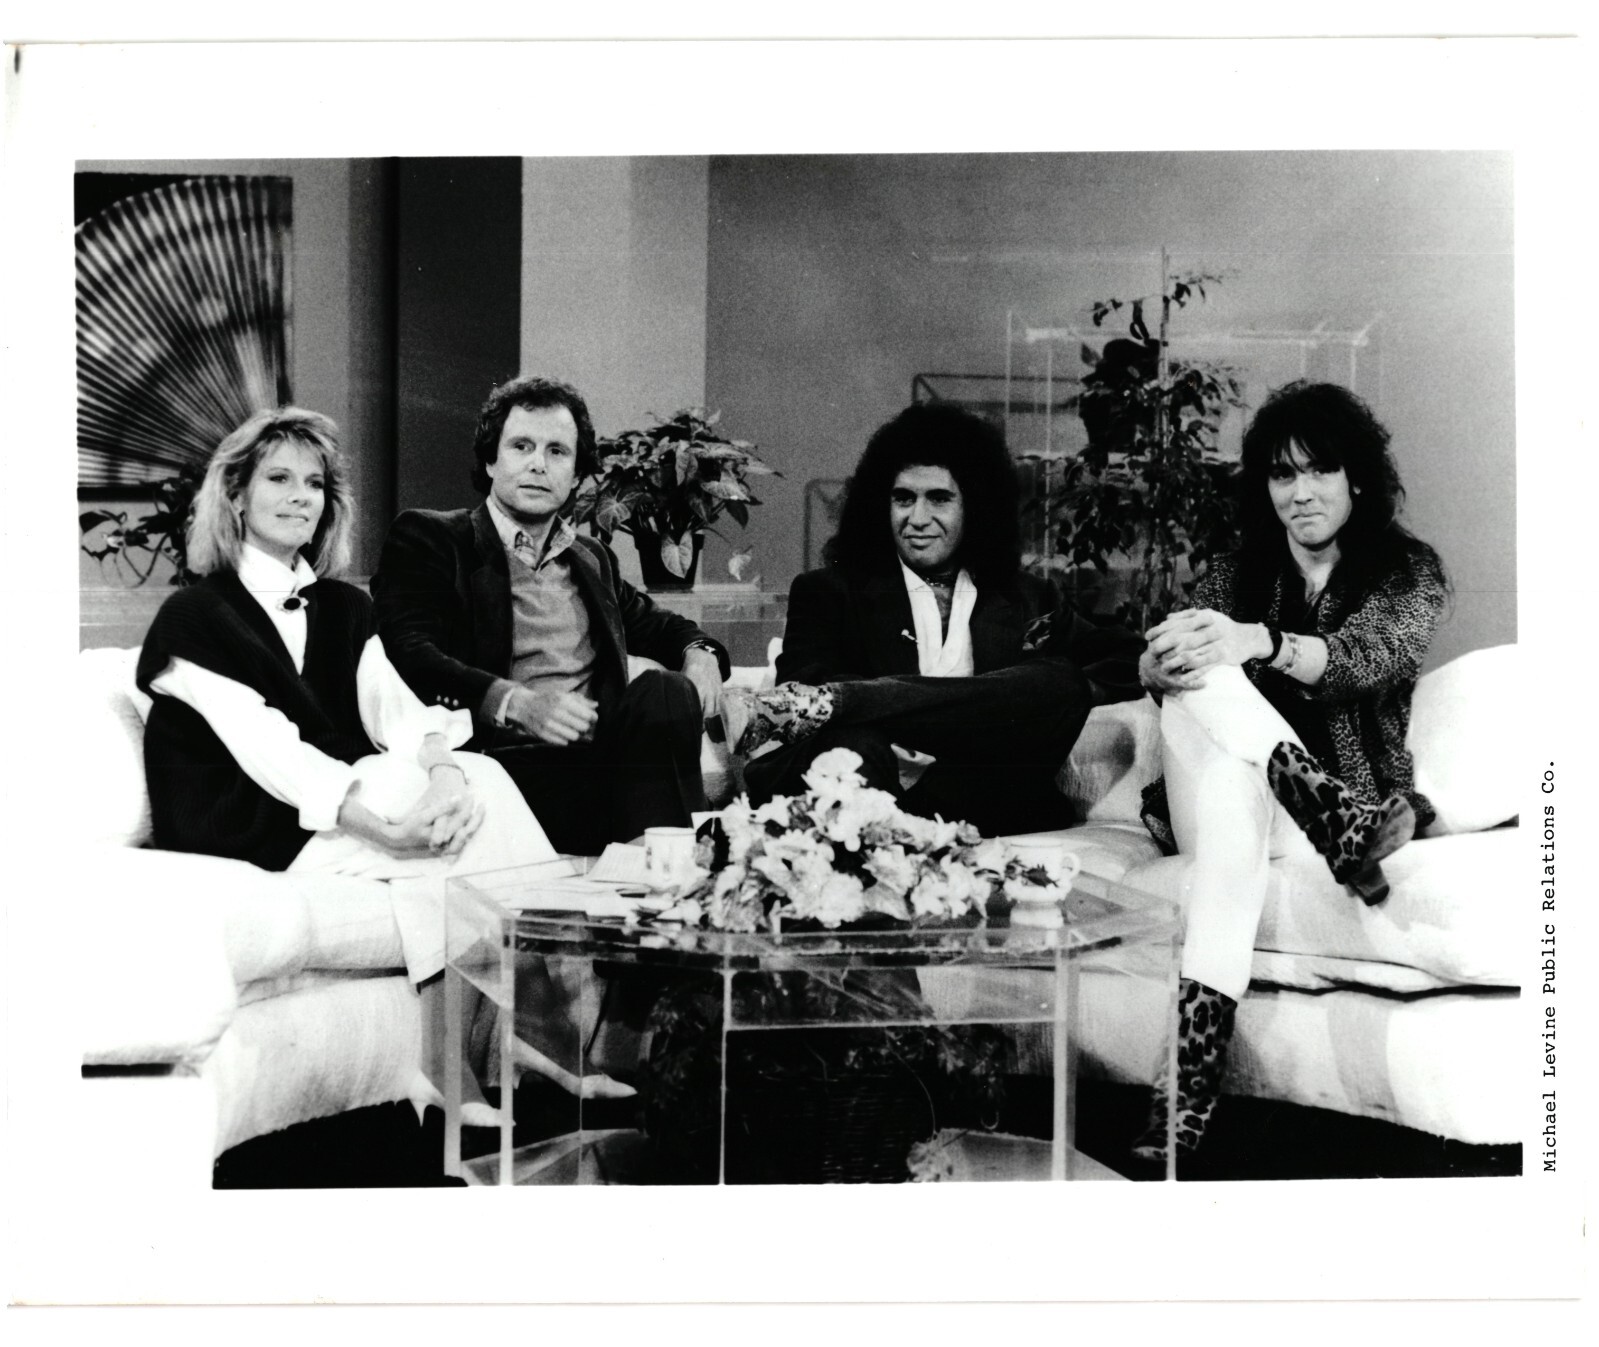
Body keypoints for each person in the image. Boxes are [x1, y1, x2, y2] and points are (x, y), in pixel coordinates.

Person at [136, 407, 631, 1122]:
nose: (299, 497)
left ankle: (475, 1057)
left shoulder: (342, 605)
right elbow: (274, 755)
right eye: (278, 479)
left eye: (314, 484)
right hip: (243, 821)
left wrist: (445, 770)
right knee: (437, 827)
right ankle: (533, 1037)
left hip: (333, 807)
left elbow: (396, 709)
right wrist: (386, 829)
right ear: (235, 496)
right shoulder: (193, 616)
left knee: (477, 785)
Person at [1132, 380, 1449, 1165]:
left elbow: (1367, 657)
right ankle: (1332, 816)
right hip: (1302, 822)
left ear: (1356, 478)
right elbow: (1177, 659)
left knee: (1231, 790)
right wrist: (1155, 665)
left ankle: (1184, 1092)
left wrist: (1260, 641)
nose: (1300, 492)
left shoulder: (1406, 571)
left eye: (1319, 469)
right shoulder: (1234, 570)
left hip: (1281, 815)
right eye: (1281, 473)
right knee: (1200, 669)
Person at [723, 402, 1145, 837]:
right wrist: (969, 715)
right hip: (867, 788)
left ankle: (846, 698)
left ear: (974, 507)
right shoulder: (827, 591)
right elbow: (802, 696)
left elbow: (1126, 656)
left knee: (1060, 682)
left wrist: (1039, 698)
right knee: (852, 743)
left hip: (969, 794)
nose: (918, 519)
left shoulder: (1028, 597)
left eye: (939, 499)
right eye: (903, 499)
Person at [371, 375, 729, 856]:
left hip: (600, 767)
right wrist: (517, 703)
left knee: (666, 690)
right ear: (490, 460)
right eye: (521, 446)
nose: (538, 464)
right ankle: (666, 864)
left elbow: (660, 625)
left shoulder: (591, 557)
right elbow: (410, 652)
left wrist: (700, 653)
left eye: (557, 451)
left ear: (577, 473)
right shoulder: (433, 538)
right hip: (505, 763)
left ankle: (659, 860)